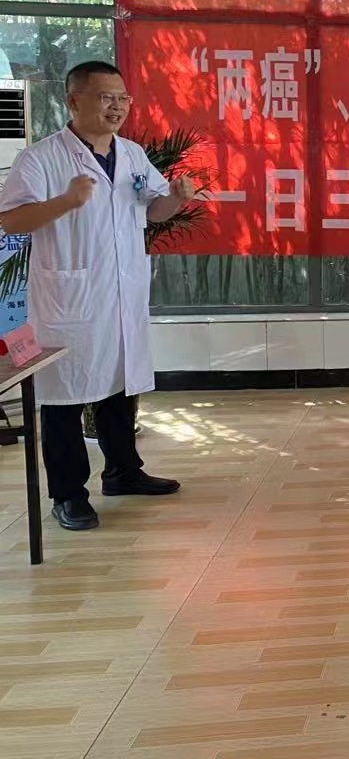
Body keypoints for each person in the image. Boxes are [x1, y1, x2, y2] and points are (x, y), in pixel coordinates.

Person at [0, 61, 194, 531]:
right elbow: (11, 220)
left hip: (121, 291)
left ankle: (123, 471)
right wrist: (65, 201)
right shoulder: (42, 158)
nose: (116, 107)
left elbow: (154, 210)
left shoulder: (131, 154)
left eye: (122, 98)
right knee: (64, 396)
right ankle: (68, 494)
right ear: (74, 100)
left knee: (119, 383)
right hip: (70, 297)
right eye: (105, 97)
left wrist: (177, 198)